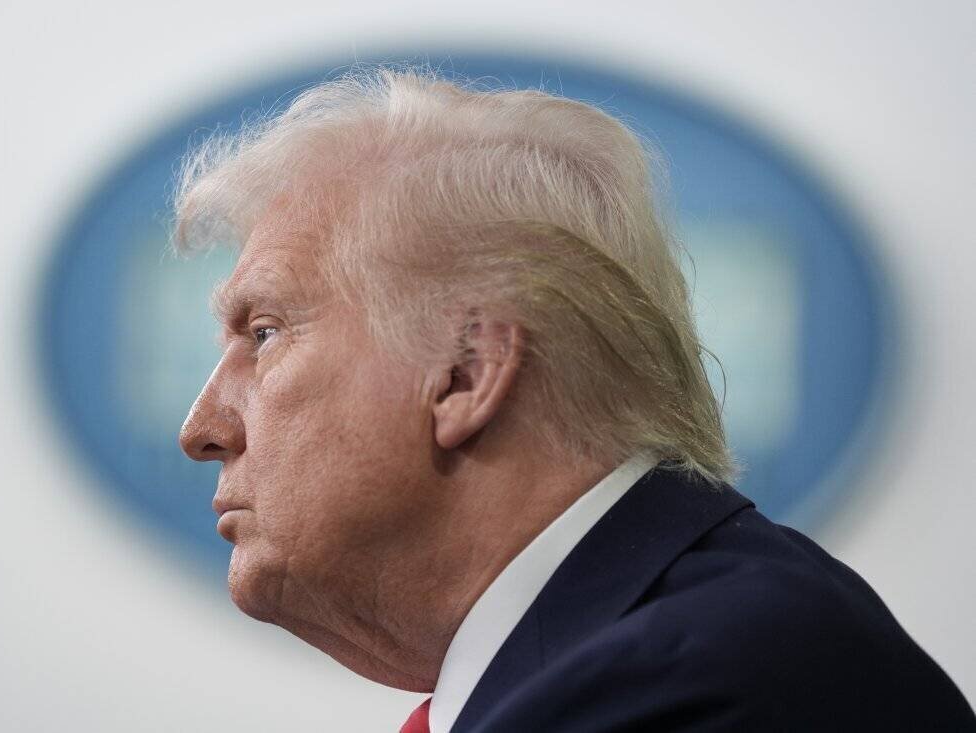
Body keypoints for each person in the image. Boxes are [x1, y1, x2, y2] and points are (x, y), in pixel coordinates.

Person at [175, 68, 975, 732]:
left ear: (466, 371)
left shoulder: (686, 694)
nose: (201, 429)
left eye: (267, 332)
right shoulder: (686, 635)